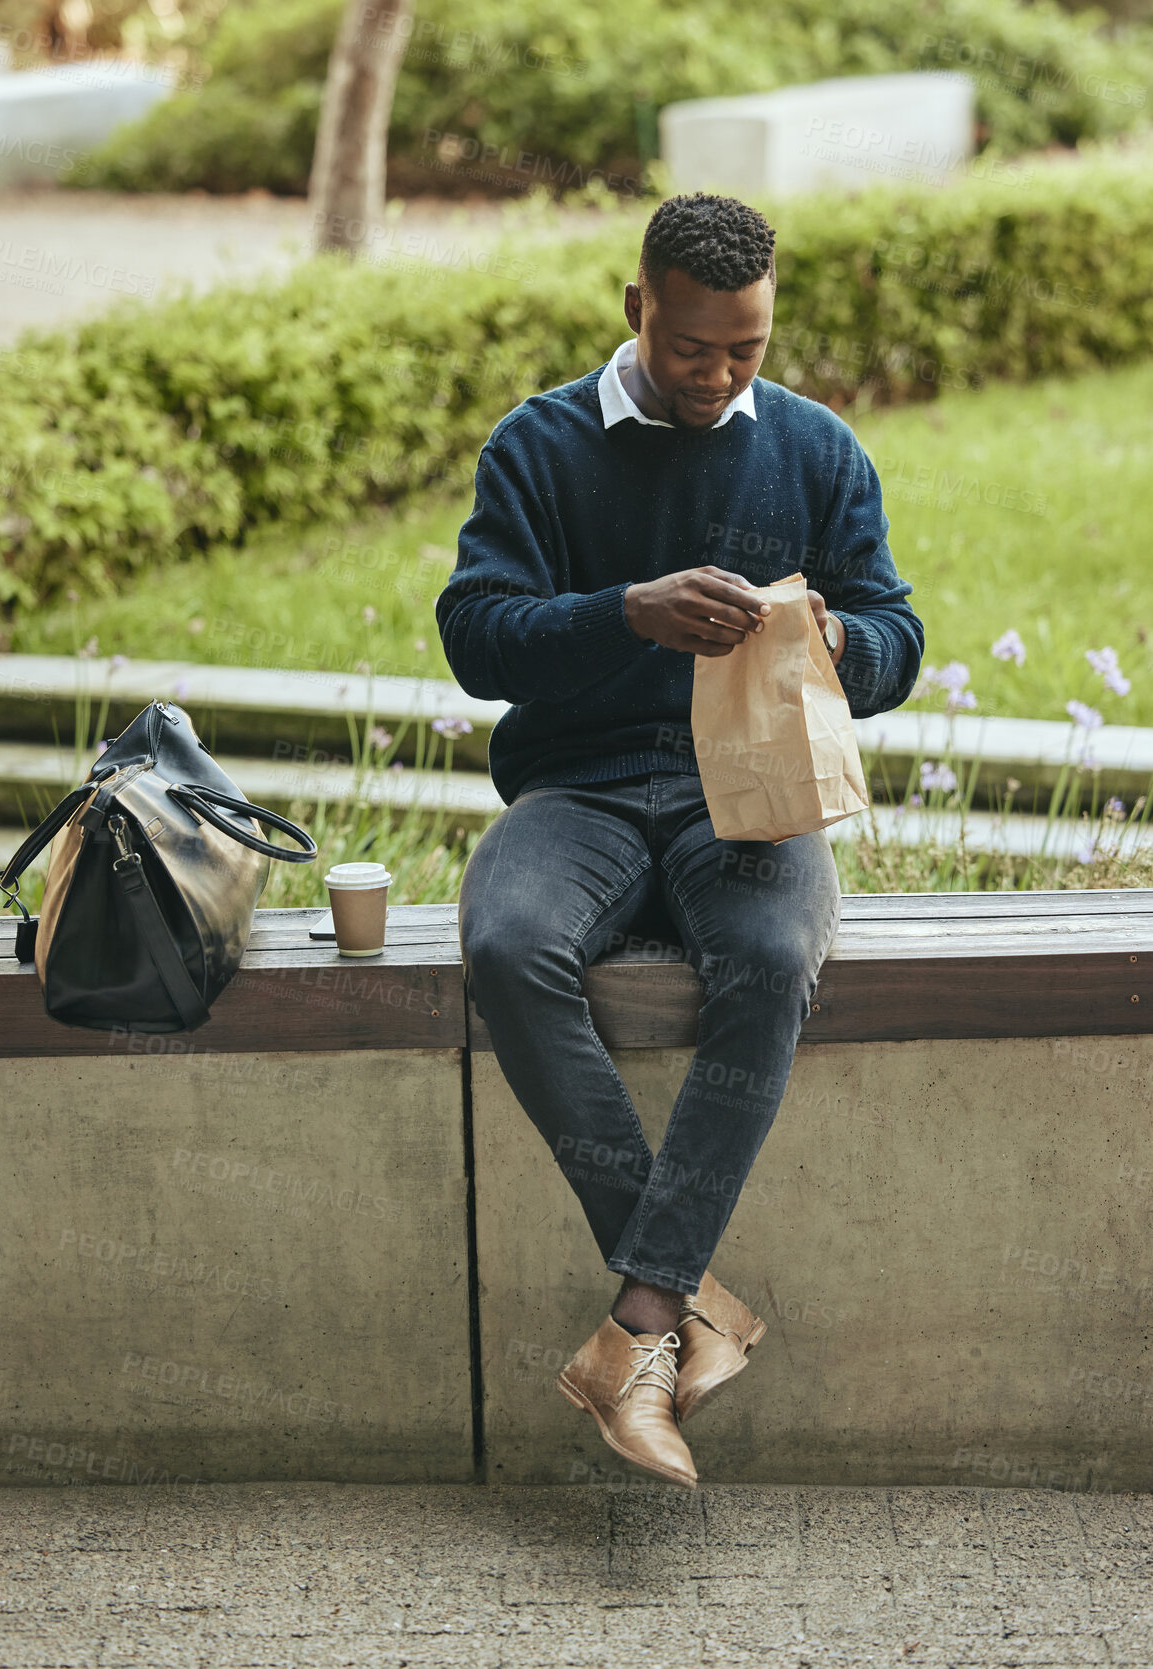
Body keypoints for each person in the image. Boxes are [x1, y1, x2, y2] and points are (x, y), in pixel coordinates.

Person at [435, 192, 924, 1490]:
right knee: (505, 939)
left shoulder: (817, 452)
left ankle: (638, 1327)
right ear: (634, 305)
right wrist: (623, 612)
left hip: (748, 796)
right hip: (580, 789)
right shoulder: (537, 447)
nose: (716, 374)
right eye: (691, 346)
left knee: (769, 959)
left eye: (746, 349)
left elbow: (897, 634)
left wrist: (840, 640)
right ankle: (683, 1305)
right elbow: (476, 635)